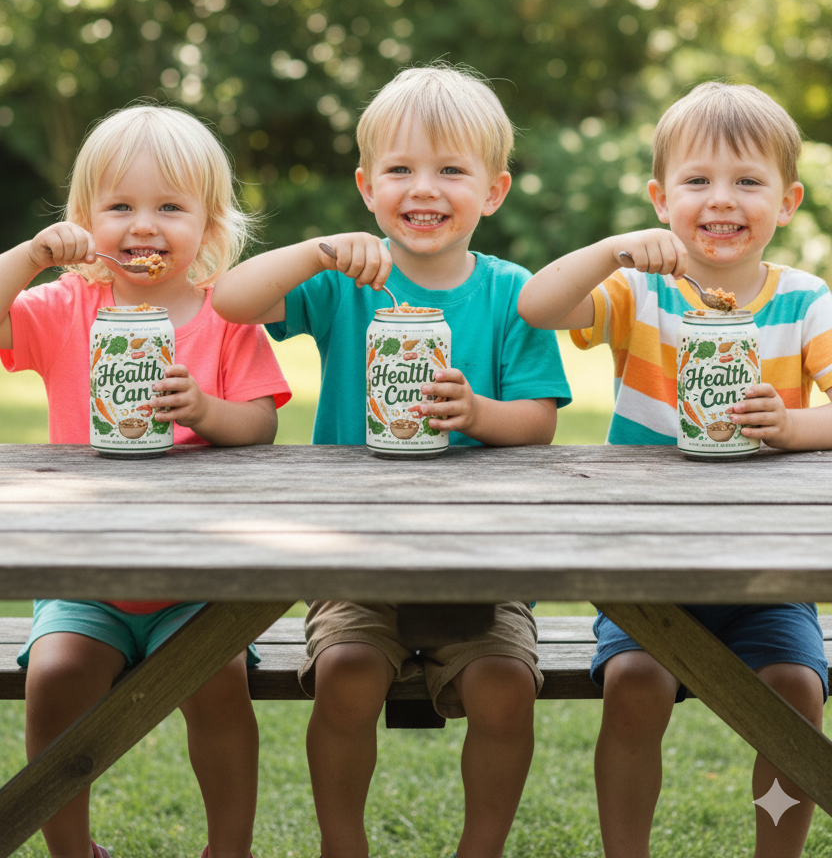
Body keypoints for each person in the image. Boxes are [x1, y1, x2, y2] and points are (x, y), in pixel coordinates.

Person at [213, 65, 571, 858]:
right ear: (367, 187)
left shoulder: (513, 293)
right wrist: (315, 252)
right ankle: (344, 845)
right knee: (345, 675)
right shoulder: (348, 281)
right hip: (355, 555)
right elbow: (230, 301)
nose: (424, 188)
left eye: (451, 170)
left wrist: (478, 413)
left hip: (482, 563)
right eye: (401, 169)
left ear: (494, 191)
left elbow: (540, 422)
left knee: (506, 688)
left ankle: (480, 849)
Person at [518, 81, 832, 858]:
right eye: (697, 180)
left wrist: (795, 427)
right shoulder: (639, 291)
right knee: (635, 685)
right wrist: (612, 251)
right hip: (644, 565)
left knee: (798, 691)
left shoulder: (804, 304)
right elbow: (537, 307)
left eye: (747, 181)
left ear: (787, 202)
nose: (721, 199)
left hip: (765, 568)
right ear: (661, 199)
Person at [0, 104, 291, 858]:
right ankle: (71, 847)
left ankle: (228, 847)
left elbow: (261, 424)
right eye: (120, 207)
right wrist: (30, 257)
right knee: (54, 678)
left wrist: (207, 410)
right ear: (86, 219)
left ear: (209, 223)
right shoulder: (67, 306)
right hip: (85, 573)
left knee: (218, 686)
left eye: (169, 208)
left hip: (198, 577)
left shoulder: (227, 315)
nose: (143, 227)